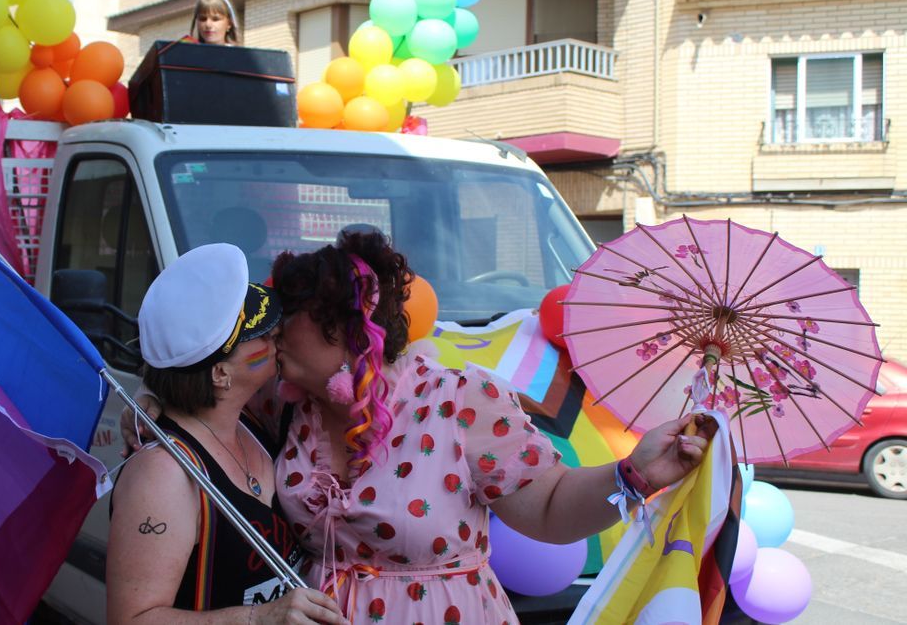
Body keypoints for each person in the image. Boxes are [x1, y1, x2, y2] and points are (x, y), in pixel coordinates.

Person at [266, 230, 717, 624]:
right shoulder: (287, 406)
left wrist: (633, 474)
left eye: (289, 314)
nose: (274, 329)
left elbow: (548, 508)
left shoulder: (458, 400)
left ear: (346, 324)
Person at [104, 243, 345, 624]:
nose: (278, 337)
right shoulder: (162, 475)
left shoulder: (252, 419)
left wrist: (148, 391)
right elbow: (131, 619)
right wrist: (257, 618)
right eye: (263, 335)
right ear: (220, 374)